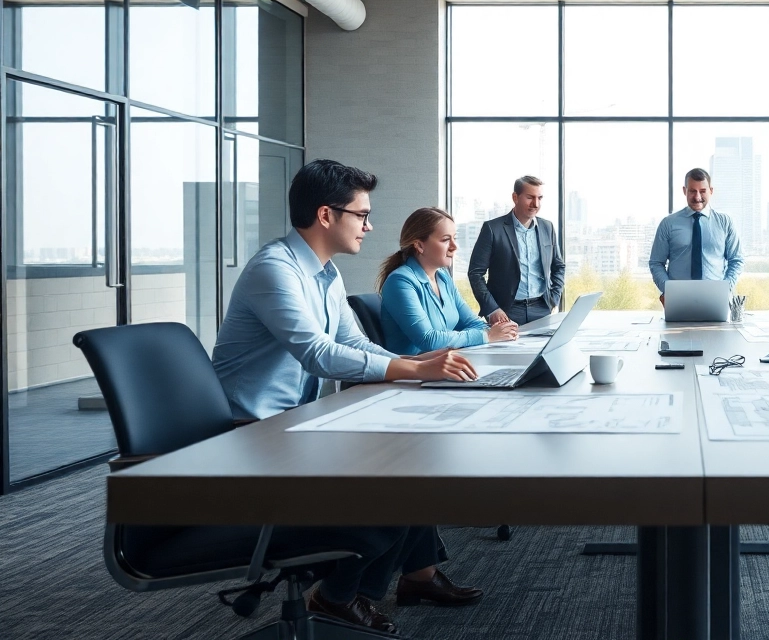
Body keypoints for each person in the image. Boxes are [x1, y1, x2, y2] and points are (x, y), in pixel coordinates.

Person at [212, 159, 485, 631]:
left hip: (298, 422)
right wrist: (411, 366)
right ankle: (337, 596)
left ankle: (407, 577)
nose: (369, 224)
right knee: (392, 477)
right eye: (361, 214)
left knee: (414, 457)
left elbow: (352, 342)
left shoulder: (326, 273)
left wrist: (415, 370)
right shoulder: (274, 270)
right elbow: (317, 353)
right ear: (325, 216)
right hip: (251, 433)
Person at [378, 207, 519, 354]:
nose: (454, 246)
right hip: (413, 373)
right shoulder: (400, 282)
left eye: (454, 238)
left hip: (445, 363)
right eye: (446, 240)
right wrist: (487, 336)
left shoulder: (443, 277)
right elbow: (428, 340)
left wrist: (498, 331)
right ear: (420, 245)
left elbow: (473, 323)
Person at [467, 175, 565, 326]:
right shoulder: (493, 229)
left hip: (542, 308)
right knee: (506, 350)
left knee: (543, 350)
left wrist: (553, 299)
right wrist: (492, 309)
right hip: (505, 311)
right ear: (515, 197)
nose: (536, 204)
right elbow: (475, 273)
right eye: (530, 197)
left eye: (540, 198)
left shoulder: (548, 227)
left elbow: (558, 266)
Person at [649, 168, 744, 301]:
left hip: (716, 299)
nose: (697, 197)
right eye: (692, 191)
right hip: (678, 299)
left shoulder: (725, 222)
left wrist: (725, 288)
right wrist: (668, 290)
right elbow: (656, 262)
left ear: (711, 191)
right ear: (684, 191)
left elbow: (736, 260)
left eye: (703, 191)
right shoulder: (668, 224)